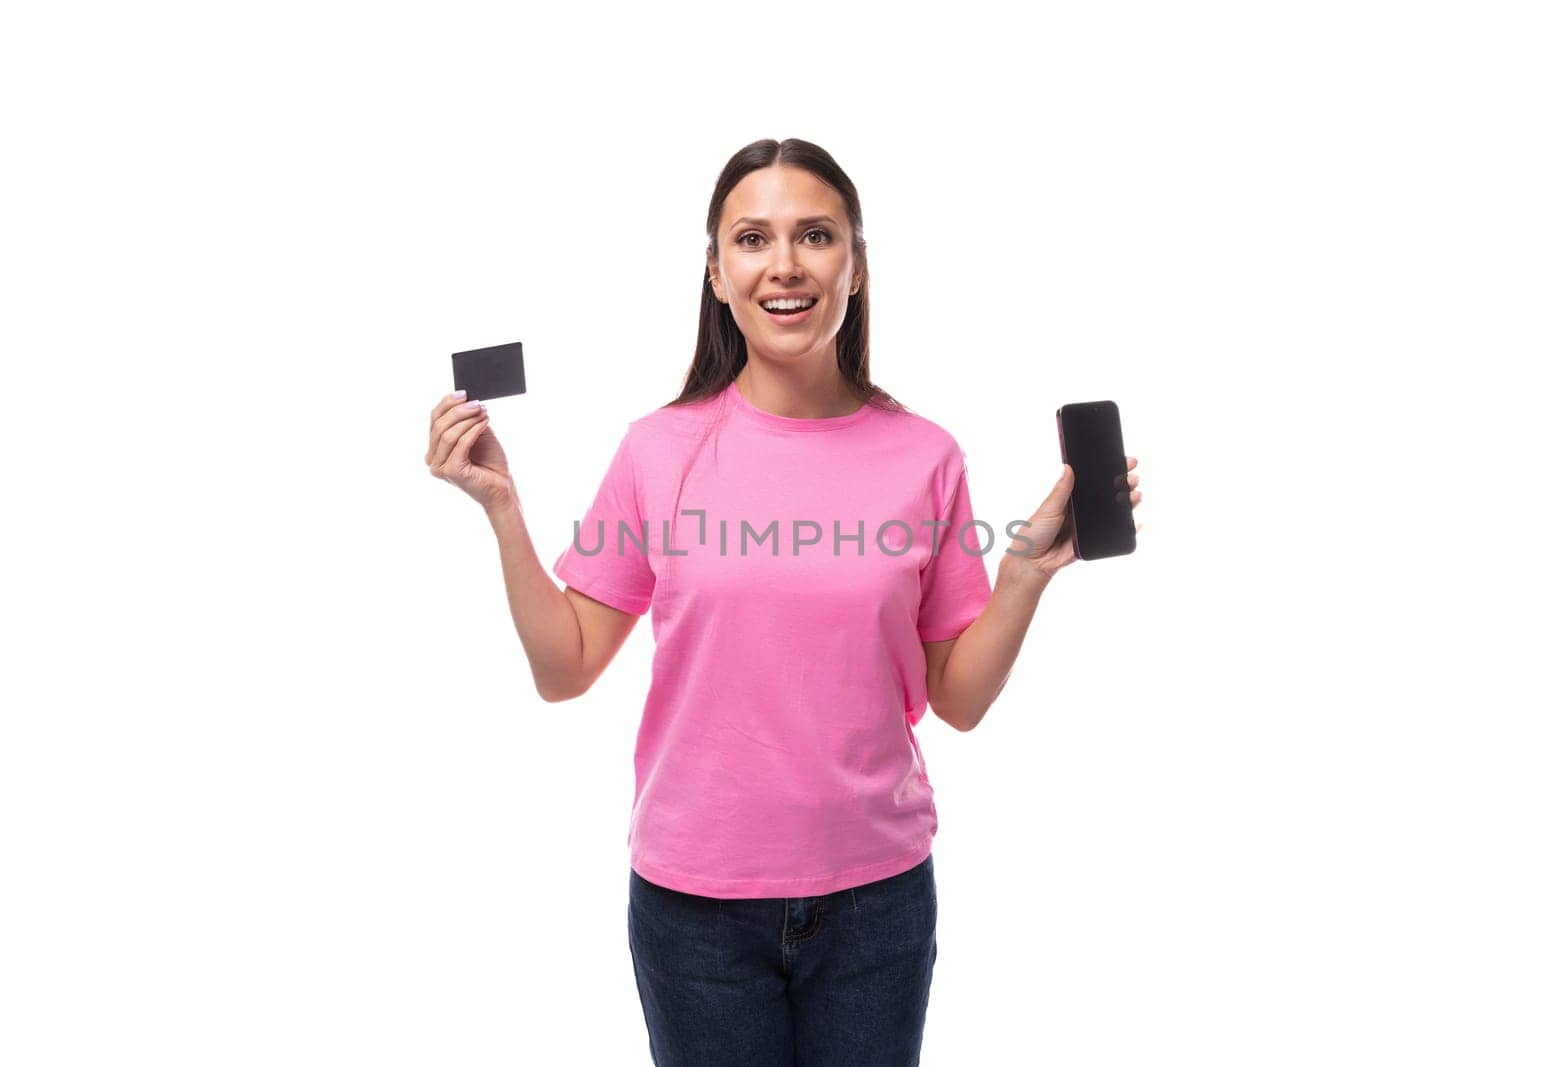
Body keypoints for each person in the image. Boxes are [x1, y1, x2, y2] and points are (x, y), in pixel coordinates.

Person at [425, 137, 1143, 1066]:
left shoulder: (925, 455)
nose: (786, 264)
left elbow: (956, 700)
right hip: (695, 914)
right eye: (752, 239)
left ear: (857, 264)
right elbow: (563, 669)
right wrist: (502, 509)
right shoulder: (657, 450)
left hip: (876, 902)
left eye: (815, 235)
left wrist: (1024, 578)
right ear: (717, 274)